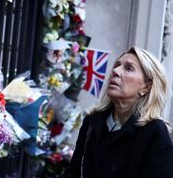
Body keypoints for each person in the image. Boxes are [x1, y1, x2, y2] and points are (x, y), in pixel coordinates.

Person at [64, 46, 173, 178]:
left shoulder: (155, 132)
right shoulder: (92, 122)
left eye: (128, 68)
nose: (115, 71)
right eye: (117, 65)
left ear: (146, 86)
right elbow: (73, 171)